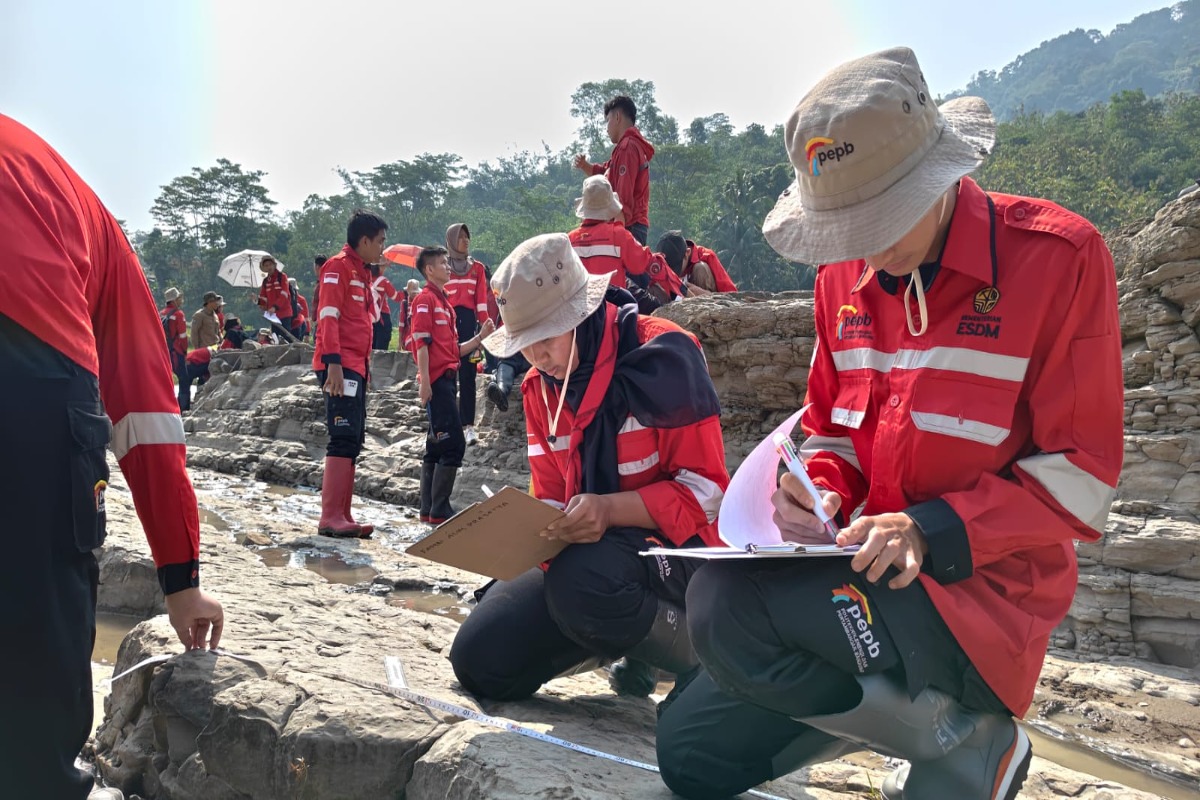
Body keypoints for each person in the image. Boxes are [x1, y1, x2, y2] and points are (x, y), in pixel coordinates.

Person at [655, 47, 1124, 800]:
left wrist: (926, 529)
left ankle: (973, 737)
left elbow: (1084, 478)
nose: (866, 246)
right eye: (844, 228)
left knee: (727, 609)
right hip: (863, 579)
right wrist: (824, 492)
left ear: (939, 174)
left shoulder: (1057, 259)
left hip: (980, 601)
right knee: (691, 757)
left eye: (882, 219)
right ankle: (886, 715)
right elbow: (829, 428)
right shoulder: (843, 276)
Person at [0, 113, 225, 800]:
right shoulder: (83, 211)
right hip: (31, 347)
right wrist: (181, 578)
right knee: (38, 601)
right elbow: (148, 417)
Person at [448, 233, 730, 704]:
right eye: (524, 344)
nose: (535, 358)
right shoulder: (539, 387)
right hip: (588, 558)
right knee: (481, 659)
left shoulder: (664, 357)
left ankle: (703, 658)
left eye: (546, 338)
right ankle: (619, 637)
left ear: (582, 315)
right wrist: (517, 540)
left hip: (682, 554)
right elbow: (552, 496)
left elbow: (707, 493)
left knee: (583, 581)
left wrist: (608, 510)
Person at [312, 210, 388, 538]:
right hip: (339, 366)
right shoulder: (337, 268)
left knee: (353, 439)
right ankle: (330, 516)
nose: (382, 248)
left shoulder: (361, 272)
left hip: (356, 367)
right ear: (365, 240)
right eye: (380, 241)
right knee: (342, 437)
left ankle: (343, 514)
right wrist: (333, 364)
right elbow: (327, 316)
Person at [409, 246, 494, 523]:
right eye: (443, 263)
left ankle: (428, 509)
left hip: (447, 380)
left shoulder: (444, 302)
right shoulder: (425, 300)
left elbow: (453, 351)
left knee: (435, 446)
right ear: (429, 270)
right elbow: (421, 344)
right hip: (437, 383)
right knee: (455, 445)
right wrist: (424, 382)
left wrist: (480, 337)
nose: (448, 267)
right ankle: (440, 508)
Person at [568, 175, 682, 300]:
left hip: (578, 315)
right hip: (613, 313)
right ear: (611, 209)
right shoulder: (619, 235)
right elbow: (645, 264)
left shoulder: (569, 240)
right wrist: (682, 292)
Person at [573, 95, 655, 244]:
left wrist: (618, 237)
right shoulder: (627, 147)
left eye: (608, 120)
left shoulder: (627, 147)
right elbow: (606, 173)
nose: (606, 128)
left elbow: (623, 198)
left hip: (629, 227)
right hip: (630, 226)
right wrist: (585, 166)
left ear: (617, 117)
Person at [444, 223, 492, 446]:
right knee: (447, 375)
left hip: (469, 327)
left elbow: (481, 303)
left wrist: (484, 331)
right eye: (461, 237)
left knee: (468, 377)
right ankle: (450, 424)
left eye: (467, 237)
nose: (465, 241)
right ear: (452, 240)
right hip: (446, 325)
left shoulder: (477, 269)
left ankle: (469, 427)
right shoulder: (442, 267)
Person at [656, 231, 738, 294]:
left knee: (700, 268)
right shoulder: (656, 264)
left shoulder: (707, 256)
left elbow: (732, 295)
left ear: (687, 252)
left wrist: (704, 294)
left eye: (677, 267)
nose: (676, 274)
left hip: (709, 303)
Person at [160, 287, 190, 411]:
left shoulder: (161, 313)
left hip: (163, 352)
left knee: (164, 381)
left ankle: (164, 407)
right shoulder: (178, 314)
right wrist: (184, 350)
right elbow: (183, 336)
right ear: (175, 300)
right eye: (179, 298)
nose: (181, 300)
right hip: (177, 352)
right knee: (184, 379)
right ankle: (183, 408)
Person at [256, 254, 294, 340]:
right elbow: (263, 299)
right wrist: (257, 300)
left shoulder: (282, 276)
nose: (269, 267)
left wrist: (274, 307)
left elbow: (284, 294)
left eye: (270, 264)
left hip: (285, 313)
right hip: (273, 316)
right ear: (264, 268)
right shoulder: (265, 281)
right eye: (266, 265)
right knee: (275, 338)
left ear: (274, 265)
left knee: (286, 337)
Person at [367, 262, 403, 350]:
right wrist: (406, 293)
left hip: (369, 316)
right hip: (382, 316)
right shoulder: (383, 281)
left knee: (370, 348)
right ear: (379, 267)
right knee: (381, 350)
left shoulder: (367, 279)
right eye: (384, 266)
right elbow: (396, 297)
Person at [310, 255, 328, 338]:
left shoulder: (323, 282)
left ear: (316, 266)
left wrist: (317, 319)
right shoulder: (324, 280)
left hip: (321, 321)